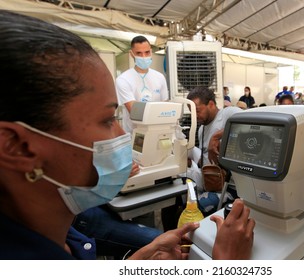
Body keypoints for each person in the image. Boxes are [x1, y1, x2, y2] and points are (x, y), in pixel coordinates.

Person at [0, 10, 255, 260]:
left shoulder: (62, 238)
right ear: (17, 146)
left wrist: (141, 258)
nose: (122, 134)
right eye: (108, 119)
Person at [187, 87, 242, 214]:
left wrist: (216, 136)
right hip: (213, 183)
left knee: (198, 208)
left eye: (197, 111)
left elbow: (250, 120)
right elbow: (206, 158)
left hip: (232, 187)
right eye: (192, 113)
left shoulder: (228, 114)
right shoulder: (201, 129)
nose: (195, 116)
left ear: (211, 104)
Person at [116, 35, 169, 135]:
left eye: (147, 52)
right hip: (135, 135)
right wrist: (159, 112)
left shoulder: (160, 77)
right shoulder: (123, 79)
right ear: (132, 54)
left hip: (158, 132)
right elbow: (135, 112)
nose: (144, 57)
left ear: (151, 51)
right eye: (139, 53)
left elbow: (165, 108)